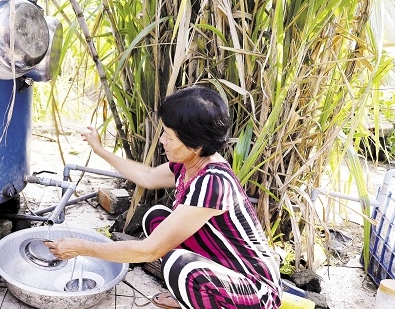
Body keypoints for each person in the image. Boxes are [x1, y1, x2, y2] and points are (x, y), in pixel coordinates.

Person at [44, 86, 282, 309]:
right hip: (224, 266)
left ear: (196, 145)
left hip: (256, 290)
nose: (162, 141)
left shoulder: (212, 182)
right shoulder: (189, 164)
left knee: (181, 267)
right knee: (155, 218)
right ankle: (195, 295)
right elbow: (147, 176)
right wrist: (100, 150)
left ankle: (204, 297)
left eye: (169, 136)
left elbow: (149, 251)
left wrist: (81, 248)